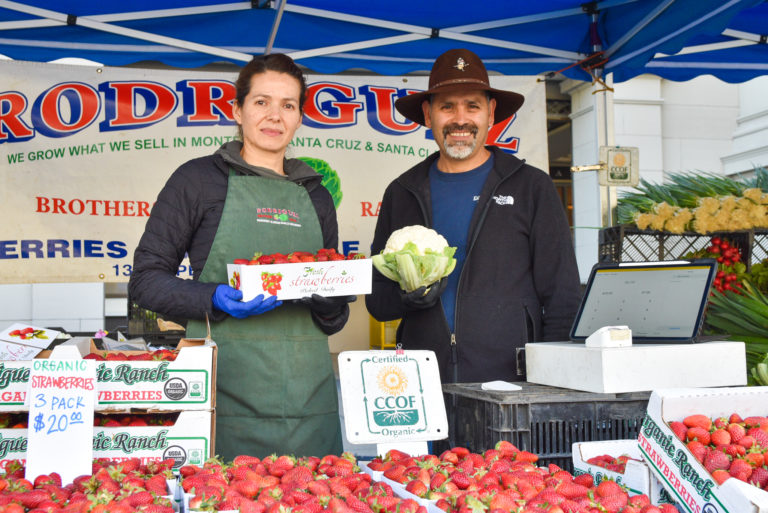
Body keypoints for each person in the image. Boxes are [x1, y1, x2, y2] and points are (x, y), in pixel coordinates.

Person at [128, 53, 354, 459]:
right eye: (261, 102)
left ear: (300, 118)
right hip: (223, 399)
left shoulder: (317, 195)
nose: (275, 116)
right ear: (237, 110)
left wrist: (330, 299)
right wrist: (212, 297)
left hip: (310, 407)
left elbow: (335, 319)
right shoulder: (197, 180)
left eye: (288, 105)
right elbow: (144, 280)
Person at [365, 48, 582, 384]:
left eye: (473, 106)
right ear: (427, 114)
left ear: (491, 113)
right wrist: (409, 297)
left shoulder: (532, 187)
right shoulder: (402, 192)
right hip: (423, 383)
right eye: (447, 106)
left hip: (513, 385)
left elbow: (563, 297)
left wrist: (552, 378)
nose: (460, 119)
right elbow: (378, 302)